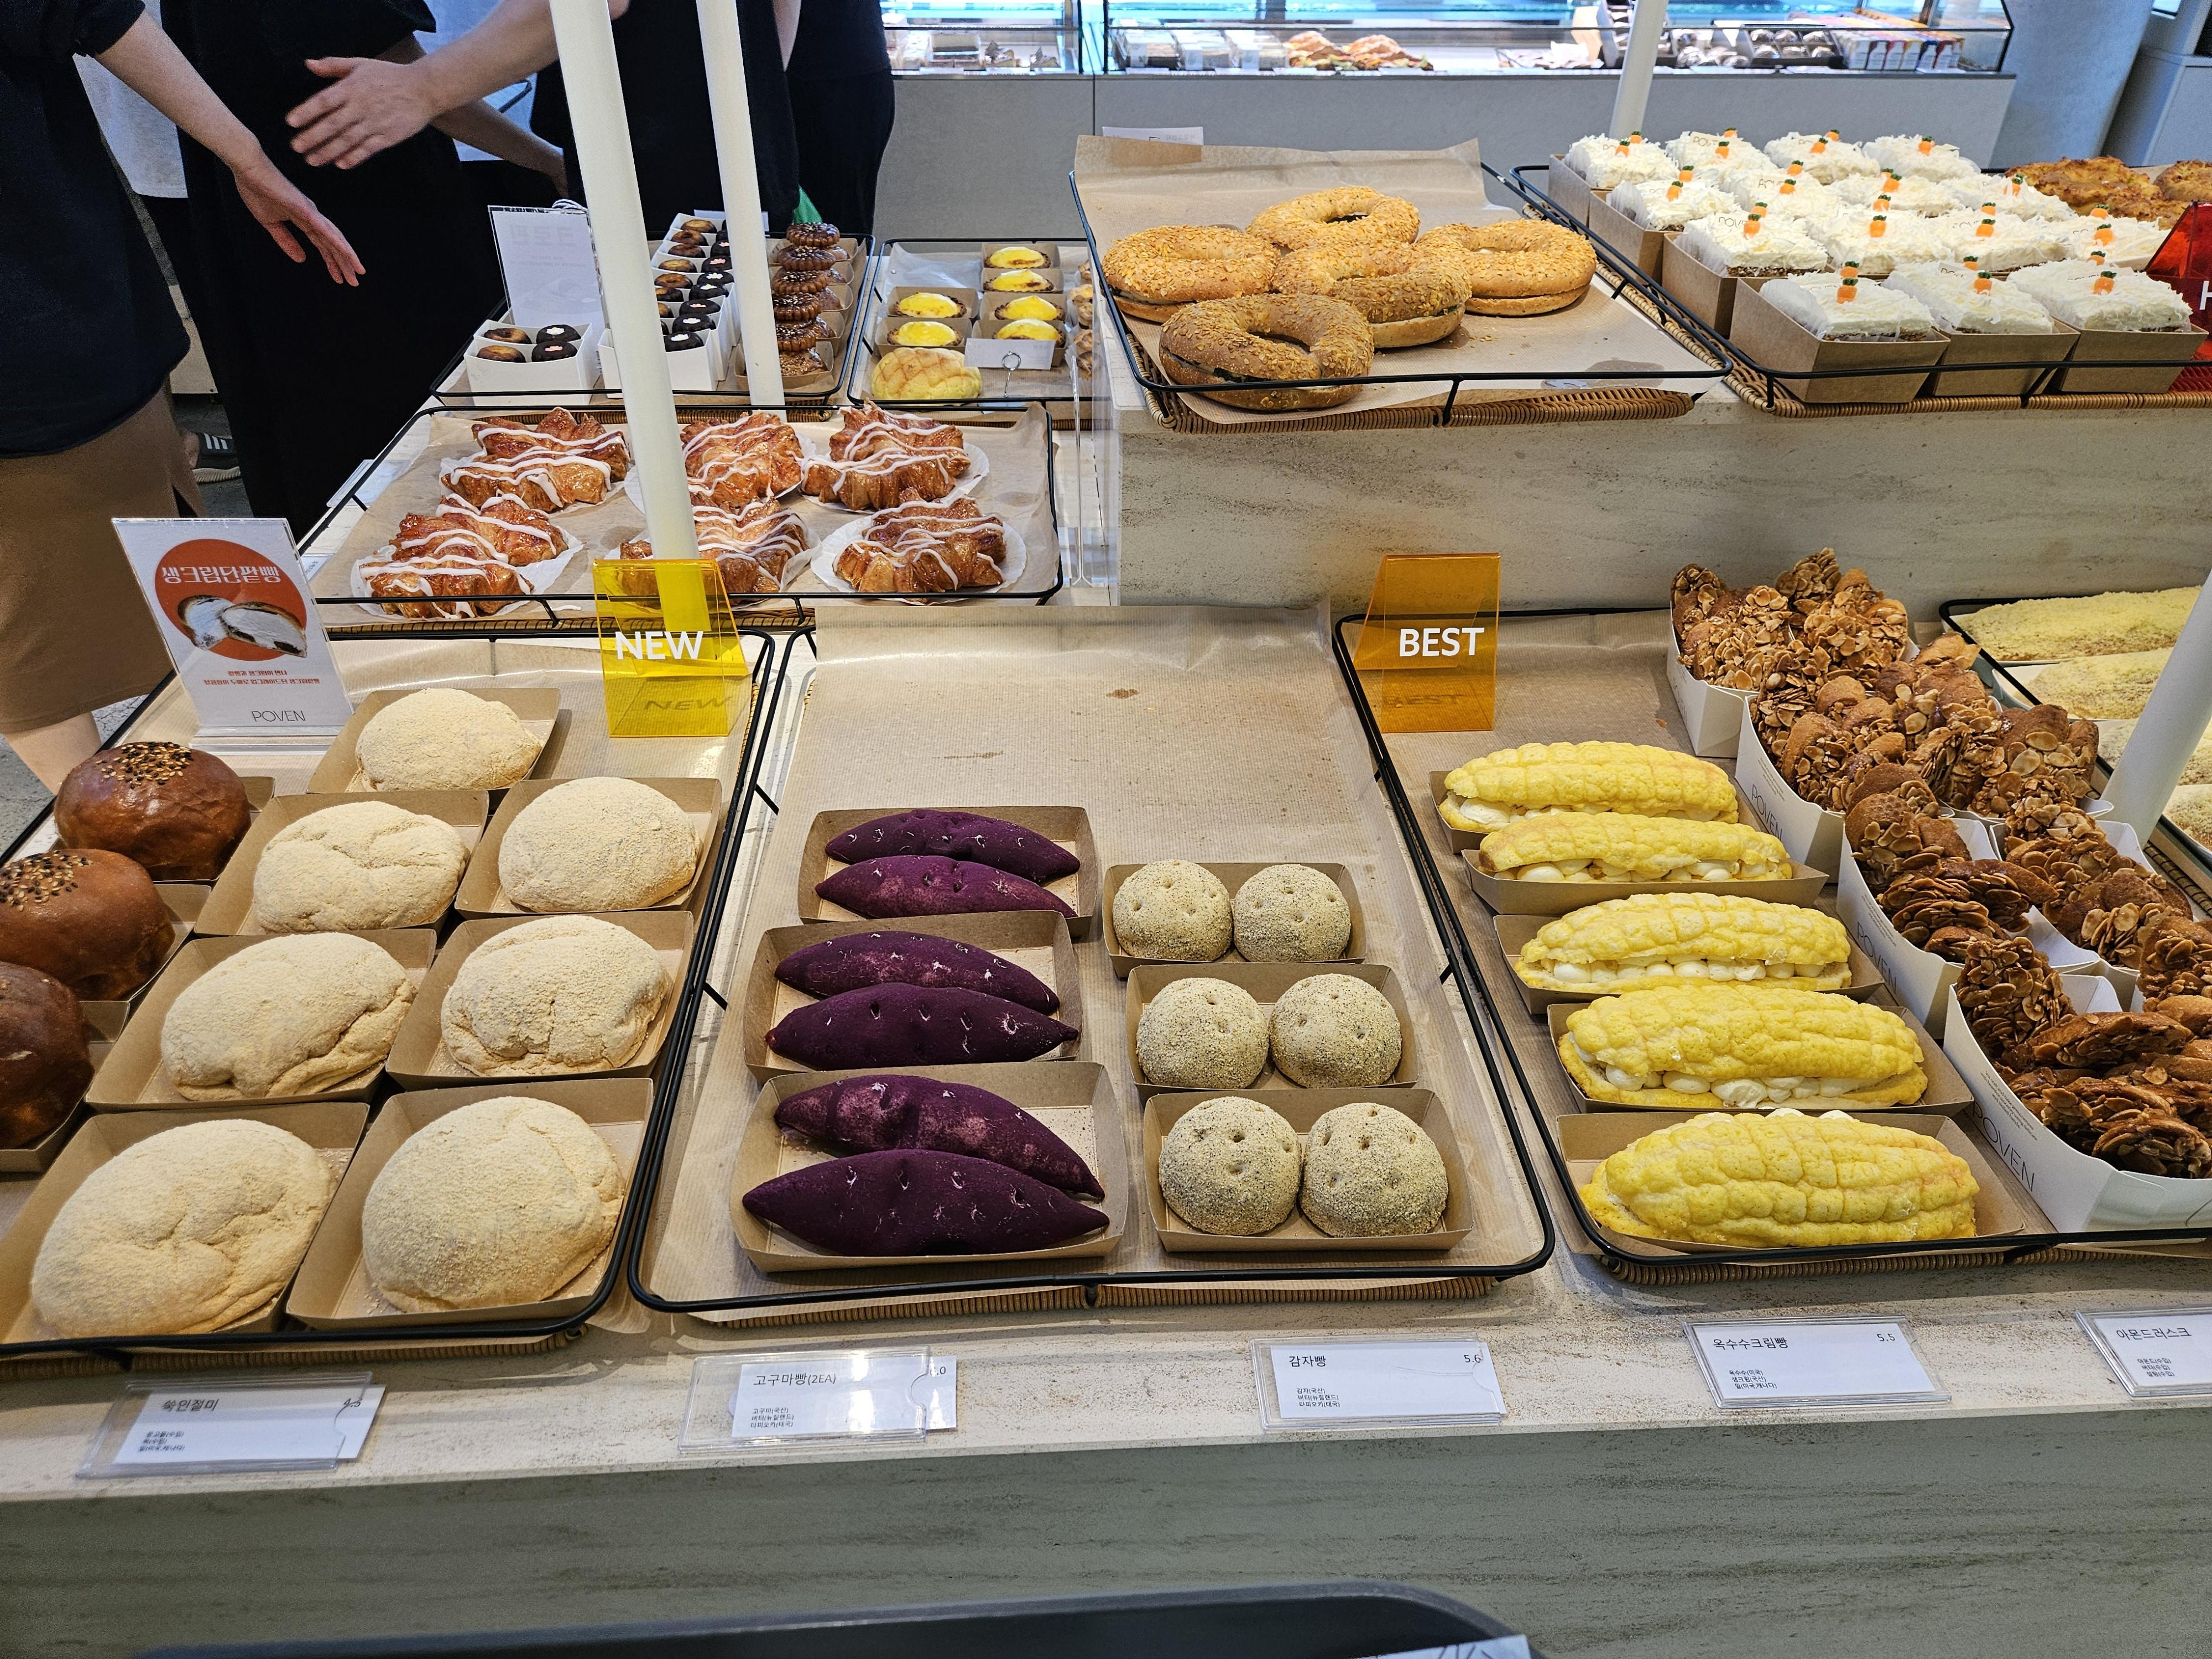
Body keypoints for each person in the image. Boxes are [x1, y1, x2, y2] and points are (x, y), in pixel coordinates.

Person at [0, 0, 359, 791]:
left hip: (69, 315)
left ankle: (162, 810)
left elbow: (88, 12)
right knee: (36, 644)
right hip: (50, 329)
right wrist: (247, 158)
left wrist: (247, 158)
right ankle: (112, 829)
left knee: (174, 586)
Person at [161, 0, 560, 533]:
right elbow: (396, 78)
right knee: (424, 447)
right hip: (368, 222)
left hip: (273, 215)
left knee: (315, 443)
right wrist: (549, 161)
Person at [283, 0, 801, 237]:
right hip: (707, 135)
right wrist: (755, 93)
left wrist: (425, 87)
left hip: (655, 154)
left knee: (692, 372)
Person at [783, 0, 895, 236]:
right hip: (845, 70)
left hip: (828, 78)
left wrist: (766, 84)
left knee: (834, 229)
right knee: (842, 223)